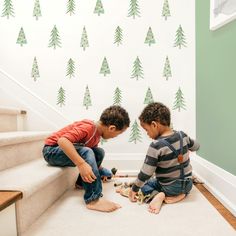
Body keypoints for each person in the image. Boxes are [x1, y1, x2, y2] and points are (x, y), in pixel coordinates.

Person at [42, 105, 130, 212]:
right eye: (117, 134)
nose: (115, 137)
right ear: (112, 128)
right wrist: (81, 164)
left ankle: (81, 183)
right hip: (51, 151)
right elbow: (62, 141)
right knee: (87, 151)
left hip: (63, 152)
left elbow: (93, 155)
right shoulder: (88, 127)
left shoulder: (97, 134)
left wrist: (98, 169)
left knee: (99, 152)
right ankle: (93, 199)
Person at [128, 102, 200, 214]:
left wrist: (135, 188)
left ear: (154, 125)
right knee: (156, 181)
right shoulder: (182, 135)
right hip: (188, 184)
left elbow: (146, 173)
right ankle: (182, 195)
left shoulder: (156, 146)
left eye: (147, 130)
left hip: (169, 187)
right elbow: (196, 146)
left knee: (145, 186)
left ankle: (159, 195)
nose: (147, 134)